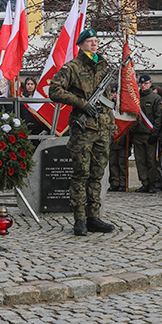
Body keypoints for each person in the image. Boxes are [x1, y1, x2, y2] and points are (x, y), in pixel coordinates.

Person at [49, 28, 116, 236]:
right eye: (90, 41)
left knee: (97, 175)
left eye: (96, 41)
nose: (94, 44)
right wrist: (81, 103)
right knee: (81, 174)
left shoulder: (104, 67)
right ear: (80, 44)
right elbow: (54, 90)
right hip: (83, 130)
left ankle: (93, 217)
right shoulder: (72, 68)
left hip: (103, 128)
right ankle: (80, 220)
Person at [133, 74, 162, 193]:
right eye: (141, 83)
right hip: (137, 133)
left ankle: (153, 184)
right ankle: (144, 182)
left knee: (152, 161)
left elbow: (158, 118)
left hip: (149, 134)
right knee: (140, 160)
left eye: (146, 83)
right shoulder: (135, 97)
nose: (143, 86)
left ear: (150, 84)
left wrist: (155, 133)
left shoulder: (156, 98)